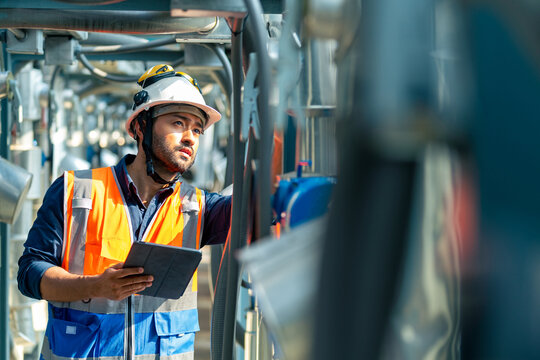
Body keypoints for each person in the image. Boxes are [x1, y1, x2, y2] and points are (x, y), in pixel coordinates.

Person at [17, 64, 232, 360]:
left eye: (197, 129)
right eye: (178, 123)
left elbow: (257, 210)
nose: (190, 137)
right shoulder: (75, 190)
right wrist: (95, 286)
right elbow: (30, 273)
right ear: (140, 127)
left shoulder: (198, 206)